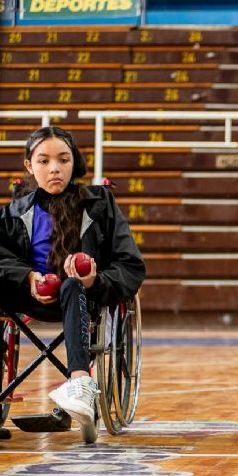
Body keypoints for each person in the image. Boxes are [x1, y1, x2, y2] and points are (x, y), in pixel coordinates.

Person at [0, 126, 146, 439]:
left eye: (63, 160)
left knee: (72, 285)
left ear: (73, 163)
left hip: (83, 297)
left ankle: (80, 384)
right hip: (26, 294)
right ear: (29, 166)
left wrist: (95, 279)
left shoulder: (101, 207)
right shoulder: (11, 215)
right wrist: (27, 277)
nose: (54, 168)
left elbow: (131, 266)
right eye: (44, 161)